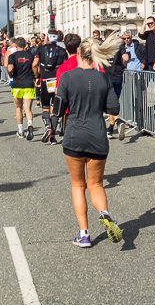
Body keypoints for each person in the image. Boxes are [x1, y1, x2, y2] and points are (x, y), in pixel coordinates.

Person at [53, 33, 124, 247]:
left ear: (77, 54)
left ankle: (84, 234)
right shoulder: (103, 78)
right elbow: (113, 108)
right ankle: (104, 213)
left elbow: (57, 109)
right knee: (95, 184)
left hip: (74, 135)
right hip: (98, 136)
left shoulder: (67, 77)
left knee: (78, 185)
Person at [33, 29, 66, 143]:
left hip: (44, 80)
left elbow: (34, 64)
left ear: (48, 37)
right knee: (55, 109)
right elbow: (65, 68)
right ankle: (53, 137)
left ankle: (47, 126)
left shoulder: (41, 49)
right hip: (57, 81)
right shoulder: (62, 51)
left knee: (45, 107)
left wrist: (37, 76)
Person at [7, 37, 36, 139]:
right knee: (27, 108)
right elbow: (34, 67)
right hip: (28, 83)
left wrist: (10, 74)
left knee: (18, 107)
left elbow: (10, 68)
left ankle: (20, 130)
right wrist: (35, 76)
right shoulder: (30, 55)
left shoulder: (12, 56)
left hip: (17, 84)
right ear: (25, 45)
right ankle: (30, 124)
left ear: (15, 45)